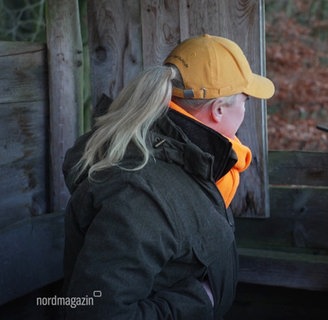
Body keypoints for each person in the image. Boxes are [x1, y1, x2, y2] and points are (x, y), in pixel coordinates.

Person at [61, 34, 274, 319]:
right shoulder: (140, 198)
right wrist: (201, 300)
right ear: (219, 110)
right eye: (245, 101)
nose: (246, 109)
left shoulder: (191, 160)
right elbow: (98, 313)